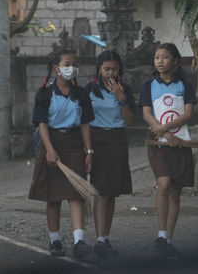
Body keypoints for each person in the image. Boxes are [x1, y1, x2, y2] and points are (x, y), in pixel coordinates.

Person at [29, 49, 95, 259]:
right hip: (51, 143)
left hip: (74, 144)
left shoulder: (81, 94)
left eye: (74, 64)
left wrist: (89, 151)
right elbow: (42, 124)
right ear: (56, 68)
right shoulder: (44, 94)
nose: (71, 68)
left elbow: (85, 124)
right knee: (53, 196)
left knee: (76, 195)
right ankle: (55, 240)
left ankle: (79, 241)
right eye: (67, 64)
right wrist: (49, 150)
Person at [138, 43, 197, 257]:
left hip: (181, 141)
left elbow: (188, 113)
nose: (160, 61)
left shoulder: (185, 85)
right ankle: (161, 235)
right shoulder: (149, 85)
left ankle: (168, 239)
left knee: (175, 192)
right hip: (158, 142)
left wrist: (170, 131)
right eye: (156, 57)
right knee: (163, 184)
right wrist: (164, 133)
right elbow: (146, 114)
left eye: (164, 57)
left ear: (175, 60)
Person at [85, 50, 135, 257]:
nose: (111, 73)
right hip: (97, 140)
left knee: (112, 191)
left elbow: (130, 122)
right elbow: (84, 121)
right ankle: (98, 239)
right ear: (99, 69)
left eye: (115, 69)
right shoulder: (89, 90)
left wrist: (121, 98)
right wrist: (87, 149)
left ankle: (105, 237)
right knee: (100, 191)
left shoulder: (126, 89)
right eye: (106, 69)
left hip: (117, 140)